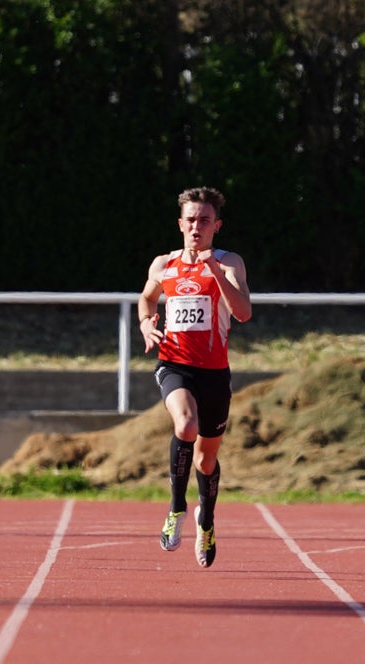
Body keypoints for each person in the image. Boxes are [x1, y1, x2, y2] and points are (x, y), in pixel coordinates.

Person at [137, 186, 252, 568]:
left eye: (204, 220)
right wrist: (145, 322)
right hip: (174, 364)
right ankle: (176, 508)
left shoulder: (229, 262)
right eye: (190, 220)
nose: (196, 227)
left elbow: (243, 312)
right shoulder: (163, 264)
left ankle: (207, 521)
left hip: (214, 373)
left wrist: (214, 271)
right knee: (185, 424)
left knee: (206, 460)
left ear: (216, 225)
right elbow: (147, 297)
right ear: (180, 224)